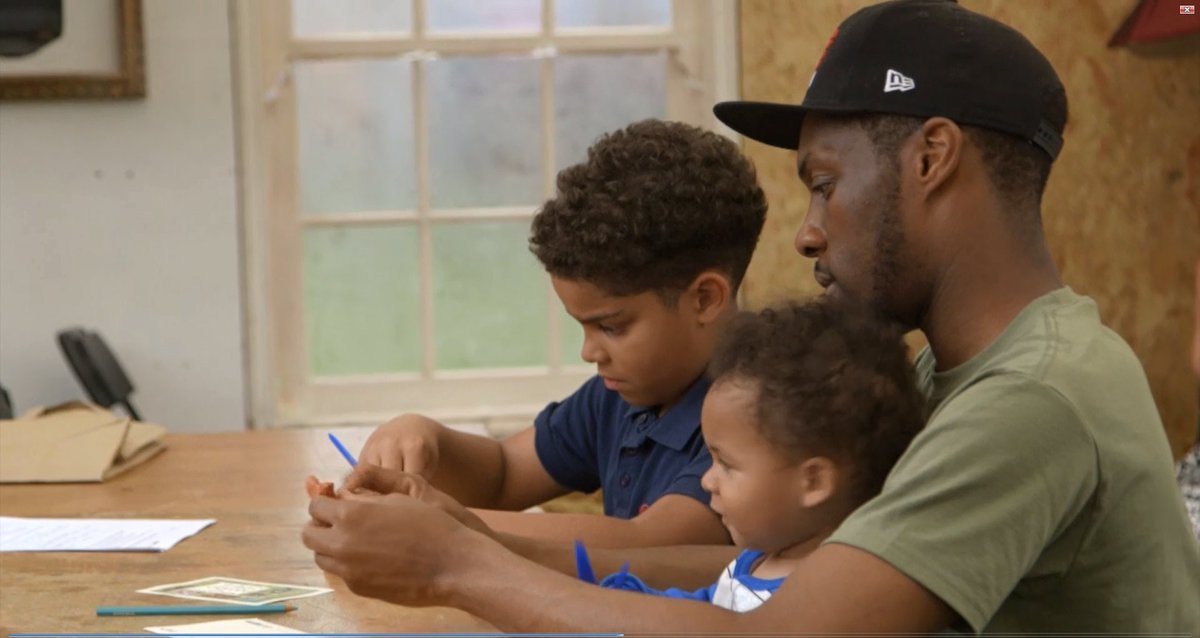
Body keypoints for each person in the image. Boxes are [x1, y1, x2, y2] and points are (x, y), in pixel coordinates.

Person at [303, 0, 1200, 632]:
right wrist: (473, 536)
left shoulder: (1029, 399)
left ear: (933, 157)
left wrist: (458, 570)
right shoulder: (949, 374)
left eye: (824, 185)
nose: (808, 234)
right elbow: (761, 578)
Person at [352, 119, 768, 547]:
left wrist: (445, 522)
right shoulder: (623, 396)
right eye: (582, 326)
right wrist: (424, 437)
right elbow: (504, 474)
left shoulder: (765, 408)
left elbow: (654, 543)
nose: (589, 352)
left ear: (704, 298)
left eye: (611, 326)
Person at [592, 299, 926, 610]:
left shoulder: (827, 600)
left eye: (727, 464)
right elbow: (709, 606)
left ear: (813, 481)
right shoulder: (756, 560)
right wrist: (641, 599)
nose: (707, 480)